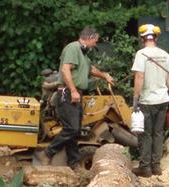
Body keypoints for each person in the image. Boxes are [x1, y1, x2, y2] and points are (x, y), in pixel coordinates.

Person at [36, 27, 114, 169]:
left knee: (75, 130)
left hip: (75, 94)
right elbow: (66, 69)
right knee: (72, 128)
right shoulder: (73, 48)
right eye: (95, 41)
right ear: (89, 38)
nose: (95, 44)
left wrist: (105, 76)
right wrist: (73, 90)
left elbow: (91, 69)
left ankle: (74, 163)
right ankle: (47, 153)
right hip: (68, 93)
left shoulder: (83, 55)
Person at [131, 24, 169, 177]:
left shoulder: (141, 54)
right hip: (163, 100)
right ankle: (156, 167)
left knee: (145, 135)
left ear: (142, 38)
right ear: (156, 38)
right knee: (158, 133)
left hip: (146, 101)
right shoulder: (165, 54)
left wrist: (136, 98)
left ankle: (145, 168)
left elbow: (139, 77)